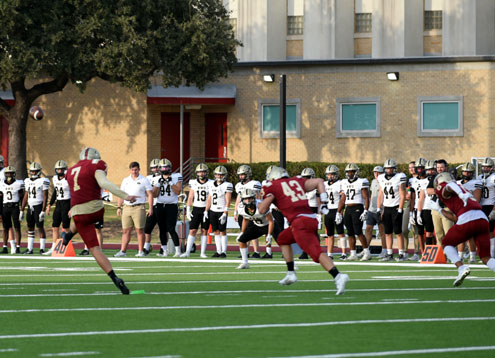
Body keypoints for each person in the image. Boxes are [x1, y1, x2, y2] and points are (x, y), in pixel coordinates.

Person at [259, 166, 349, 295]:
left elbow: (262, 210)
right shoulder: (296, 181)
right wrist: (323, 202)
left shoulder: (273, 186)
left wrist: (262, 200)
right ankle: (291, 272)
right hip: (310, 219)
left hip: (299, 223)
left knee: (316, 253)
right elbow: (319, 181)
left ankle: (338, 276)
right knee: (283, 238)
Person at [62, 147, 138, 294]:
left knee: (94, 248)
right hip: (95, 209)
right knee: (89, 222)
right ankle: (116, 278)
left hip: (77, 212)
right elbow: (104, 183)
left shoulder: (70, 170)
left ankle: (114, 277)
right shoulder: (97, 164)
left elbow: (75, 190)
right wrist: (125, 196)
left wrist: (74, 207)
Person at [428, 172, 495, 286]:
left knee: (446, 243)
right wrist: (440, 210)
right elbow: (455, 218)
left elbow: (448, 186)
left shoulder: (449, 187)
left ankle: (461, 267)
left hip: (468, 218)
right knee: (485, 257)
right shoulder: (464, 190)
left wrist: (460, 194)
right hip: (482, 219)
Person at [114, 162, 154, 257]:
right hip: (127, 207)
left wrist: (150, 208)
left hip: (139, 207)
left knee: (139, 230)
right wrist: (119, 207)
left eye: (136, 170)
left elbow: (150, 194)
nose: (134, 172)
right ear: (130, 170)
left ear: (139, 169)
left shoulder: (144, 180)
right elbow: (121, 194)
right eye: (132, 170)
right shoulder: (126, 180)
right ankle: (123, 251)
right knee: (125, 230)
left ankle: (141, 251)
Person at [236, 188, 277, 269]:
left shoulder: (261, 206)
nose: (248, 201)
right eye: (246, 199)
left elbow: (271, 221)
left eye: (250, 198)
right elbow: (245, 219)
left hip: (270, 225)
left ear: (254, 198)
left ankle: (291, 263)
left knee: (283, 242)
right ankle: (245, 262)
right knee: (242, 240)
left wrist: (269, 235)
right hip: (257, 226)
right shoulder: (241, 208)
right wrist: (242, 232)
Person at [338, 163, 371, 261]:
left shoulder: (361, 182)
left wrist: (365, 210)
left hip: (358, 207)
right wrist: (338, 212)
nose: (350, 174)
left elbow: (366, 197)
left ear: (356, 172)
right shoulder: (344, 182)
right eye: (348, 172)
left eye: (352, 172)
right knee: (350, 232)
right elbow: (343, 199)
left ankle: (367, 252)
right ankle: (353, 253)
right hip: (348, 208)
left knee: (358, 231)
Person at [377, 159, 407, 261]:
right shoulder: (381, 178)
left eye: (391, 168)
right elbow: (380, 194)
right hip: (386, 208)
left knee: (398, 232)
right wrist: (378, 208)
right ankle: (389, 254)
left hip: (396, 207)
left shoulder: (399, 177)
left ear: (395, 169)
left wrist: (400, 209)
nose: (389, 170)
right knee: (387, 232)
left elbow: (402, 195)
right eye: (387, 168)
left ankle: (401, 254)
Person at [182, 163, 212, 258]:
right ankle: (187, 252)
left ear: (206, 173)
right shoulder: (193, 182)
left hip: (206, 209)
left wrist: (207, 210)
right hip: (196, 208)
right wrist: (188, 208)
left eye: (203, 172)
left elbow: (210, 198)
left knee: (204, 230)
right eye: (199, 172)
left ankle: (202, 253)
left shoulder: (211, 183)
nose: (201, 174)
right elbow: (190, 197)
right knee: (192, 230)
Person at [154, 158, 183, 257]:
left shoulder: (176, 176)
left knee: (171, 228)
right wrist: (158, 184)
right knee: (162, 229)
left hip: (172, 206)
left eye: (166, 167)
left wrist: (170, 183)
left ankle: (177, 251)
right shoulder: (157, 178)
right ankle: (164, 251)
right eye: (162, 167)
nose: (164, 169)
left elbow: (178, 191)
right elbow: (154, 194)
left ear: (170, 168)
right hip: (160, 205)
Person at [19, 162, 50, 254]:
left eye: (35, 171)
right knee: (30, 227)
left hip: (38, 206)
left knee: (40, 227)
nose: (33, 173)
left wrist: (43, 210)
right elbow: (26, 196)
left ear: (39, 172)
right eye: (32, 171)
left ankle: (42, 249)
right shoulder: (27, 181)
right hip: (30, 206)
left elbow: (45, 197)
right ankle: (30, 249)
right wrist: (22, 210)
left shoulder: (43, 181)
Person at [234, 165, 263, 258]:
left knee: (252, 231)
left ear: (248, 174)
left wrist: (257, 209)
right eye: (240, 175)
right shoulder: (238, 186)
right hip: (242, 211)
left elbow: (258, 197)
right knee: (244, 231)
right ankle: (245, 251)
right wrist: (235, 211)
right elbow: (238, 199)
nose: (241, 176)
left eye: (243, 174)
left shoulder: (254, 183)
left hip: (252, 210)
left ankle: (256, 251)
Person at [457, 162, 482, 263]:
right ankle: (460, 256)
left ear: (472, 173)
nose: (466, 174)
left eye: (469, 172)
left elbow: (476, 200)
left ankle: (472, 256)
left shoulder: (476, 183)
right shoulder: (457, 182)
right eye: (464, 172)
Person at [205, 165, 233, 257]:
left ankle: (224, 252)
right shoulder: (211, 184)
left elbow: (228, 200)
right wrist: (206, 210)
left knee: (222, 231)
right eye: (217, 174)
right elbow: (209, 199)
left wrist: (225, 212)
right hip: (213, 210)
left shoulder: (227, 185)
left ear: (224, 175)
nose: (219, 176)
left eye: (221, 175)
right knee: (215, 231)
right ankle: (218, 251)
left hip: (221, 210)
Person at [44, 160, 71, 255]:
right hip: (58, 203)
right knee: (55, 226)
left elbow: (74, 194)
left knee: (66, 227)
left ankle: (66, 246)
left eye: (61, 169)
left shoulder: (68, 179)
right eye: (58, 169)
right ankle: (54, 247)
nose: (60, 171)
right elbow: (55, 192)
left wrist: (72, 207)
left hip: (67, 203)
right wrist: (49, 205)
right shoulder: (55, 179)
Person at [427, 159, 454, 245]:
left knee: (449, 234)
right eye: (438, 167)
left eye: (441, 167)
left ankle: (452, 255)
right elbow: (428, 190)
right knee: (439, 234)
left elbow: (452, 190)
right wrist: (439, 190)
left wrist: (440, 190)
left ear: (446, 167)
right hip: (436, 208)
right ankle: (442, 255)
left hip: (447, 208)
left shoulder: (450, 177)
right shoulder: (435, 177)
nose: (439, 169)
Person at [323, 165, 346, 259]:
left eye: (332, 174)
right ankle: (330, 254)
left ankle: (344, 253)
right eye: (328, 174)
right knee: (330, 234)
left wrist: (340, 212)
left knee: (340, 232)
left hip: (336, 210)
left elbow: (343, 197)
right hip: (328, 211)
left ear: (336, 175)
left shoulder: (340, 184)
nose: (330, 176)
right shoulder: (324, 184)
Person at [0, 166, 24, 254]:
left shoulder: (18, 183)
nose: (9, 175)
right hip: (5, 207)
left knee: (17, 227)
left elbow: (22, 197)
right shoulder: (1, 184)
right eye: (7, 173)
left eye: (10, 173)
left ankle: (17, 247)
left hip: (15, 207)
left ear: (14, 174)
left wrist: (22, 209)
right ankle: (5, 247)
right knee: (5, 228)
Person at [298, 167, 320, 260]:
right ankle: (305, 252)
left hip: (313, 209)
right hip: (304, 209)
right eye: (304, 177)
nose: (305, 179)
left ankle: (316, 251)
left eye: (307, 177)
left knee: (313, 232)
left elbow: (320, 201)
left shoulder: (316, 186)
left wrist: (319, 213)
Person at [409, 158, 428, 260]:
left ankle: (433, 253)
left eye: (421, 168)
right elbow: (412, 197)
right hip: (417, 208)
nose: (419, 170)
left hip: (428, 208)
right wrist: (411, 212)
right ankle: (424, 253)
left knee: (430, 232)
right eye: (418, 168)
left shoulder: (430, 179)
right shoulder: (413, 181)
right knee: (419, 233)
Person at [365, 166, 386, 259]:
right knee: (368, 229)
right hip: (371, 209)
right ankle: (365, 249)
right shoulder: (373, 181)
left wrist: (384, 210)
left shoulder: (384, 181)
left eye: (378, 172)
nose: (376, 174)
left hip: (381, 209)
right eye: (375, 172)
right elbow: (372, 195)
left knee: (382, 231)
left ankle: (384, 250)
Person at [478, 157, 495, 258]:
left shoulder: (493, 177)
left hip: (491, 205)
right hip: (482, 206)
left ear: (492, 168)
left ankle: (491, 255)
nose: (485, 169)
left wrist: (494, 208)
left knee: (491, 231)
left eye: (487, 167)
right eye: (484, 167)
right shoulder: (480, 177)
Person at [417, 160, 437, 246]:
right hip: (427, 208)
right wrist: (418, 212)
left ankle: (443, 252)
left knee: (440, 232)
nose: (430, 172)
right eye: (428, 170)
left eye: (432, 169)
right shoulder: (422, 181)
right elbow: (421, 198)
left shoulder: (439, 179)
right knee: (428, 233)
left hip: (437, 208)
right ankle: (429, 253)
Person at [143, 158, 161, 255]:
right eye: (153, 168)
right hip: (152, 205)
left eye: (157, 167)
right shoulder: (148, 178)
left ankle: (163, 247)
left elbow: (154, 193)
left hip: (161, 204)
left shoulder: (165, 177)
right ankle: (146, 247)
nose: (155, 169)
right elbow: (147, 192)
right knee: (147, 228)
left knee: (163, 228)